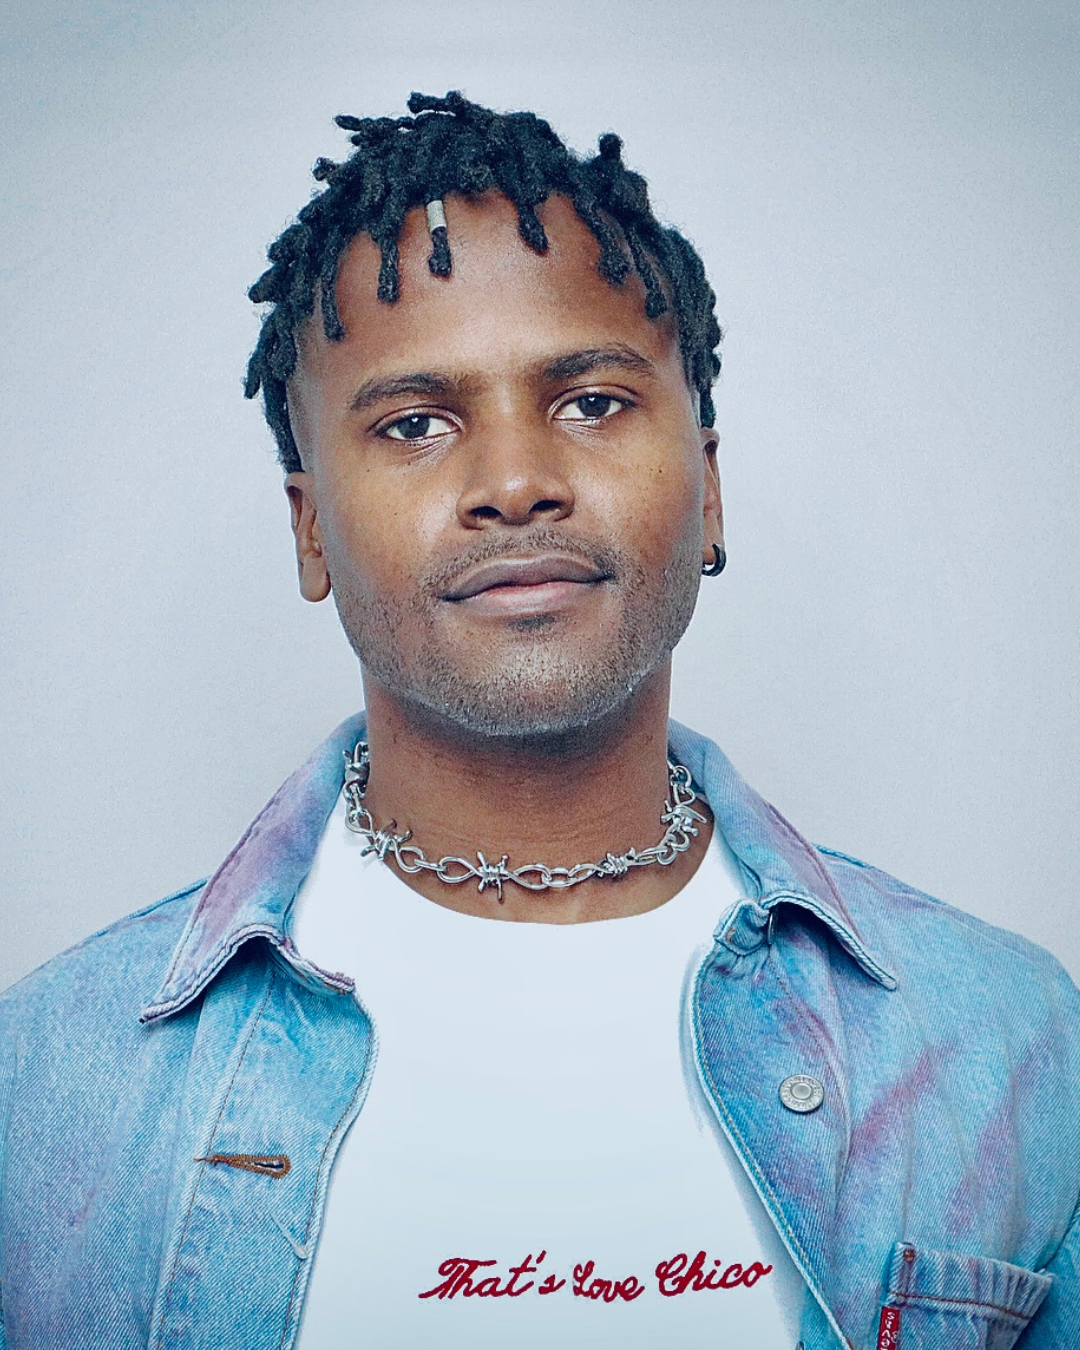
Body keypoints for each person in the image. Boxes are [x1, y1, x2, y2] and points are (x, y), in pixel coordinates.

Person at [0, 90, 1076, 1350]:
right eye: (415, 423)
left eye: (592, 402)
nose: (514, 482)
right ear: (309, 529)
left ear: (712, 488)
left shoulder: (1006, 1043)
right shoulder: (47, 1088)